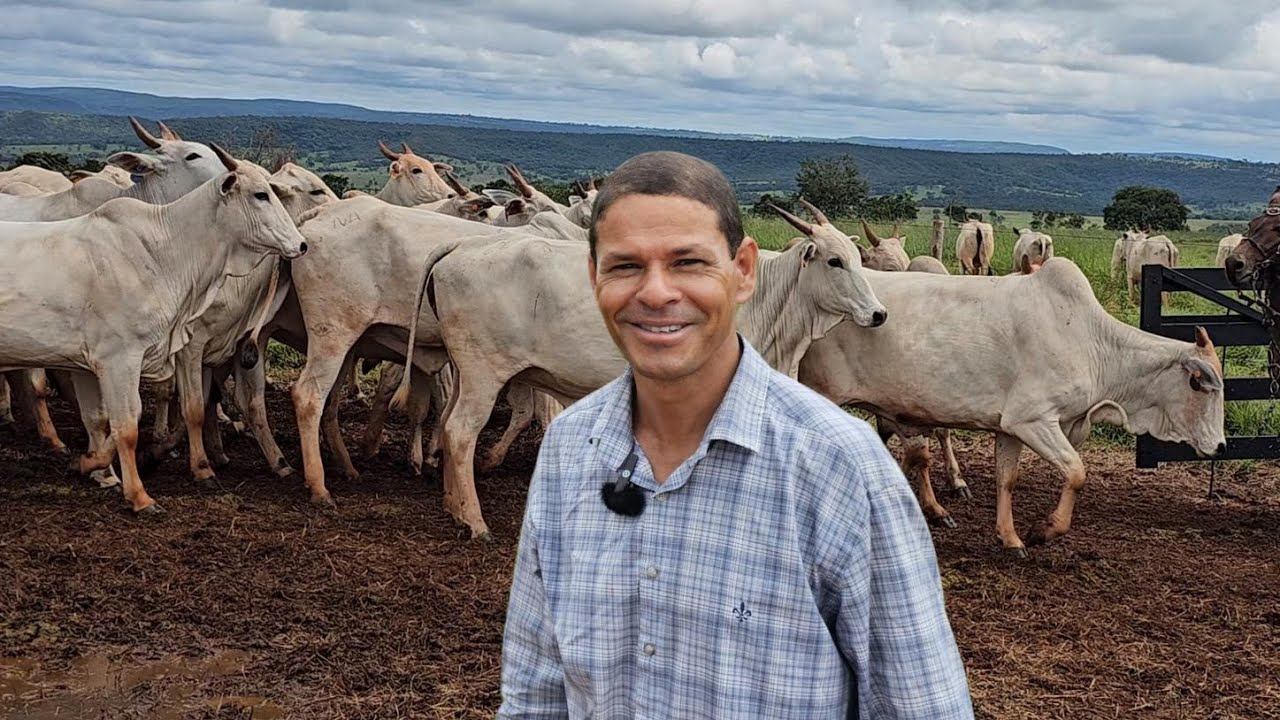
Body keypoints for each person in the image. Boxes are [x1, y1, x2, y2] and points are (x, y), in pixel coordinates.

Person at [497, 150, 973, 718]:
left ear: (744, 270)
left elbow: (921, 705)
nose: (655, 293)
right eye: (625, 266)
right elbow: (534, 692)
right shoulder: (568, 448)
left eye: (688, 263)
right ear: (593, 275)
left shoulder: (839, 464)